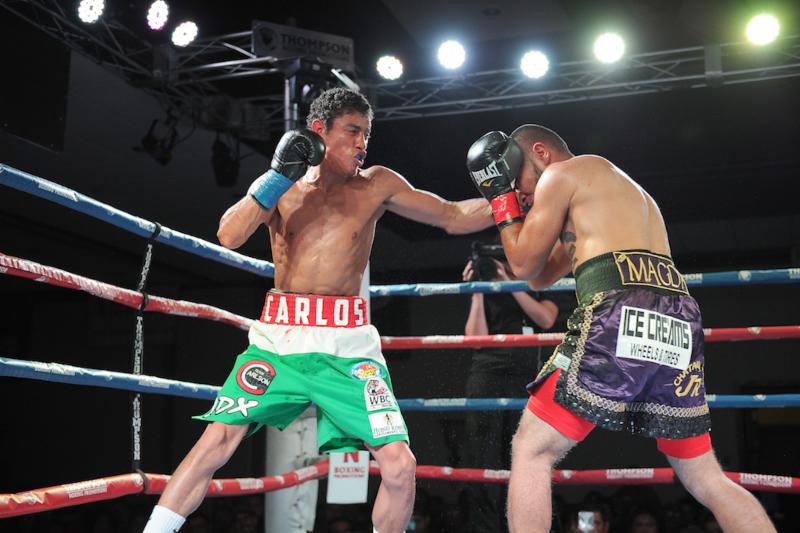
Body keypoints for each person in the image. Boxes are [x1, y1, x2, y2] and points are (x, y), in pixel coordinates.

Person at [142, 88, 494, 533]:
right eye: (352, 131)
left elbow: (452, 216)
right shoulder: (281, 188)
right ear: (318, 131)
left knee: (400, 466)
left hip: (348, 347)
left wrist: (514, 197)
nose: (362, 143)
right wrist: (274, 178)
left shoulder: (376, 184)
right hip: (280, 339)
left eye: (367, 133)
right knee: (217, 440)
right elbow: (228, 235)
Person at [465, 125, 776, 533]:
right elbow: (539, 278)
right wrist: (522, 217)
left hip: (620, 309)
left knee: (531, 450)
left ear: (539, 152)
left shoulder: (562, 175)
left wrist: (499, 198)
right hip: (677, 320)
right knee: (705, 476)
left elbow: (522, 264)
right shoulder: (619, 190)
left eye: (513, 174)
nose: (518, 191)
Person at [459, 247, 557, 533]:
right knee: (481, 455)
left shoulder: (543, 278)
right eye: (498, 261)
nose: (502, 265)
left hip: (527, 373)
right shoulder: (485, 287)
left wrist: (508, 283)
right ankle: (485, 528)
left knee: (525, 451)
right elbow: (475, 340)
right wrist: (478, 289)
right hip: (486, 370)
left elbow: (546, 319)